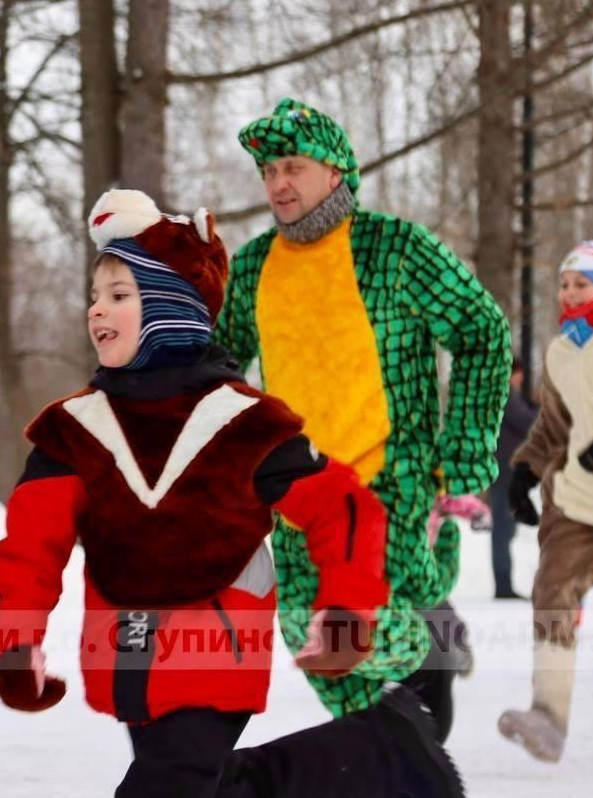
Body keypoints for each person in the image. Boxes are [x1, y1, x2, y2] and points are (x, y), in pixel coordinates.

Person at [0, 188, 466, 798]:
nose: (95, 311)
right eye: (94, 297)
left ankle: (389, 747)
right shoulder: (75, 428)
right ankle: (385, 749)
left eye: (118, 295)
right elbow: (32, 542)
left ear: (168, 308)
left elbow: (343, 508)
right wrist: (18, 637)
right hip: (127, 655)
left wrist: (346, 607)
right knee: (214, 786)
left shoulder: (241, 422)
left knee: (170, 785)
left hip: (216, 646)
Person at [214, 98, 511, 736]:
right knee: (305, 631)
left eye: (292, 166)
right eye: (268, 172)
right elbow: (219, 365)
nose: (278, 183)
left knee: (357, 628)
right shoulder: (255, 265)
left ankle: (423, 670)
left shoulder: (396, 248)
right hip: (299, 490)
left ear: (335, 170)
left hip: (391, 483)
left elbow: (482, 330)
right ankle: (396, 744)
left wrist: (463, 445)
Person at [501, 240, 593, 762]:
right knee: (552, 591)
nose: (570, 293)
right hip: (578, 499)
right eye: (565, 283)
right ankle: (548, 717)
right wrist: (525, 472)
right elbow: (553, 426)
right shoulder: (561, 350)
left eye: (584, 284)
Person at [490, 358, 537, 599]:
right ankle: (503, 584)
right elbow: (529, 422)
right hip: (506, 472)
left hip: (507, 472)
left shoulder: (507, 395)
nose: (520, 379)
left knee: (505, 529)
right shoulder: (508, 395)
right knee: (503, 529)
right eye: (518, 374)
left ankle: (503, 582)